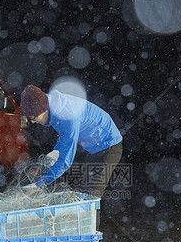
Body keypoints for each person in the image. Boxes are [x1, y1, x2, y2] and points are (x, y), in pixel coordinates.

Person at [20, 85, 123, 228]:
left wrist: (39, 184)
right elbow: (63, 135)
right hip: (94, 148)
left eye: (33, 117)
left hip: (109, 147)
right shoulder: (51, 104)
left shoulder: (68, 116)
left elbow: (65, 162)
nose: (32, 121)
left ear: (44, 109)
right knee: (79, 193)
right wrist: (56, 151)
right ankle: (76, 236)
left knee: (89, 199)